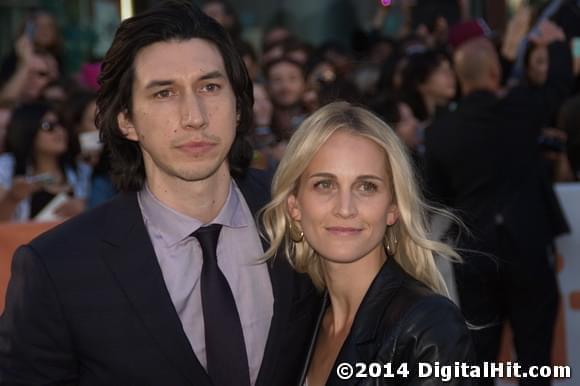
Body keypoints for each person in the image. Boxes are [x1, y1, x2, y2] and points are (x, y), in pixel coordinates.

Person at [0, 2, 320, 385]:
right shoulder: (57, 267)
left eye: (210, 87)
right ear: (126, 120)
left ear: (238, 105)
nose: (194, 116)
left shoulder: (306, 212)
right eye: (164, 93)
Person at [261, 101, 475, 386]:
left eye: (367, 187)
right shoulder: (300, 320)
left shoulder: (428, 326)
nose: (345, 208)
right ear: (294, 206)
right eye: (325, 184)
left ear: (393, 208)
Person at [424, 21, 571, 386]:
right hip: (527, 248)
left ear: (458, 77)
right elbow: (558, 88)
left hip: (475, 254)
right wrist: (556, 46)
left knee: (480, 355)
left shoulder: (441, 132)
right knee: (535, 355)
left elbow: (437, 197)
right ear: (494, 72)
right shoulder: (520, 111)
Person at [0, 101, 90, 222]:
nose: (60, 131)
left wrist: (85, 209)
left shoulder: (80, 168)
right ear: (27, 130)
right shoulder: (6, 167)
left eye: (61, 124)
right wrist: (12, 199)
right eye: (48, 126)